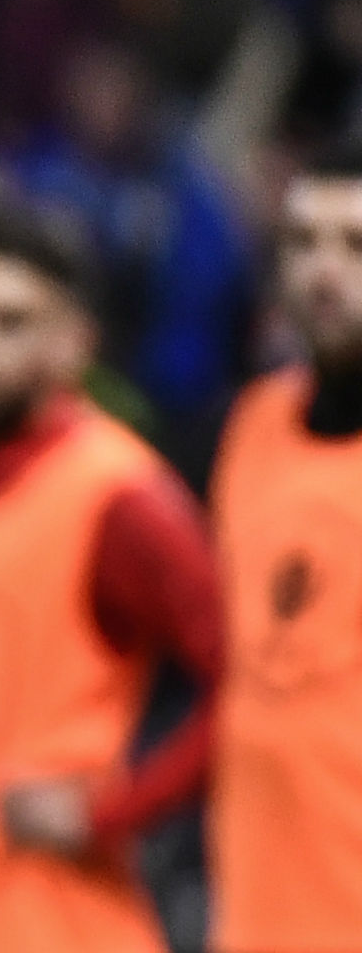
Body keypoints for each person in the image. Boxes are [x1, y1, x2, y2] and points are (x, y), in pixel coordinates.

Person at [0, 203, 222, 953]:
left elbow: (242, 687)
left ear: (74, 342)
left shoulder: (119, 497)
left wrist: (110, 814)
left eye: (9, 323)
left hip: (51, 922)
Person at [208, 145, 362, 953]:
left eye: (355, 244)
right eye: (303, 242)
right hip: (253, 913)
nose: (324, 271)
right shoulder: (254, 423)